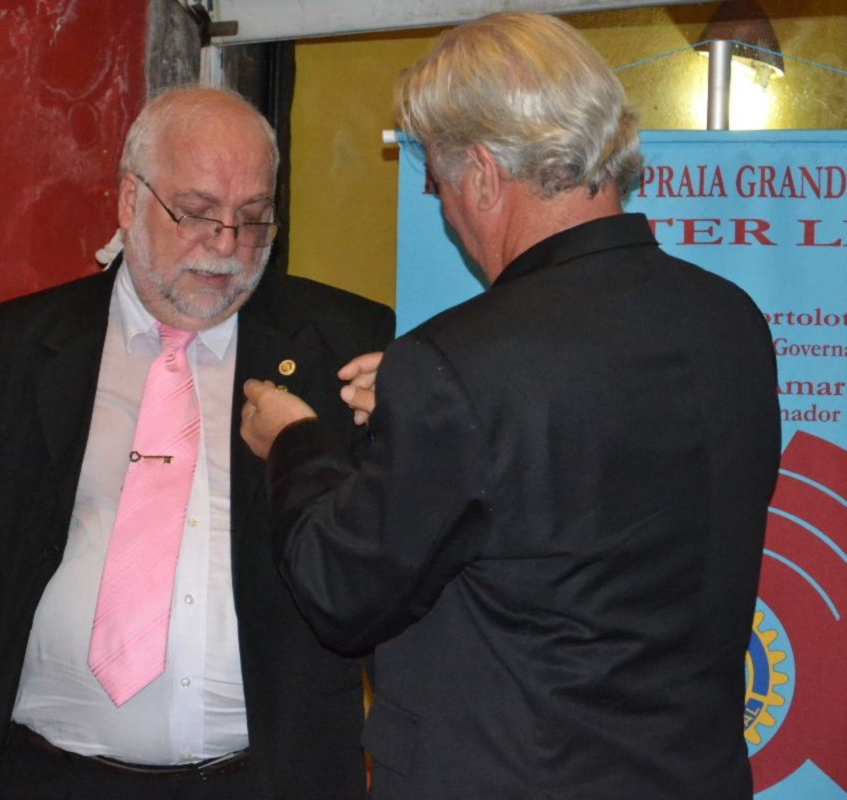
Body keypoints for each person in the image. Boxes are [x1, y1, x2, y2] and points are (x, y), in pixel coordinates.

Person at [241, 12, 780, 800]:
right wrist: (427, 407)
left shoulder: (460, 366)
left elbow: (342, 596)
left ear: (485, 174)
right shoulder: (728, 319)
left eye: (437, 181)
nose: (443, 207)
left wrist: (297, 443)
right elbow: (584, 475)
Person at [0, 85, 394, 800]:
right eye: (196, 213)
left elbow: (382, 572)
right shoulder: (23, 345)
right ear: (130, 199)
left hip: (264, 780)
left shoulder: (342, 345)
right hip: (45, 775)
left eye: (252, 218)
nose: (226, 245)